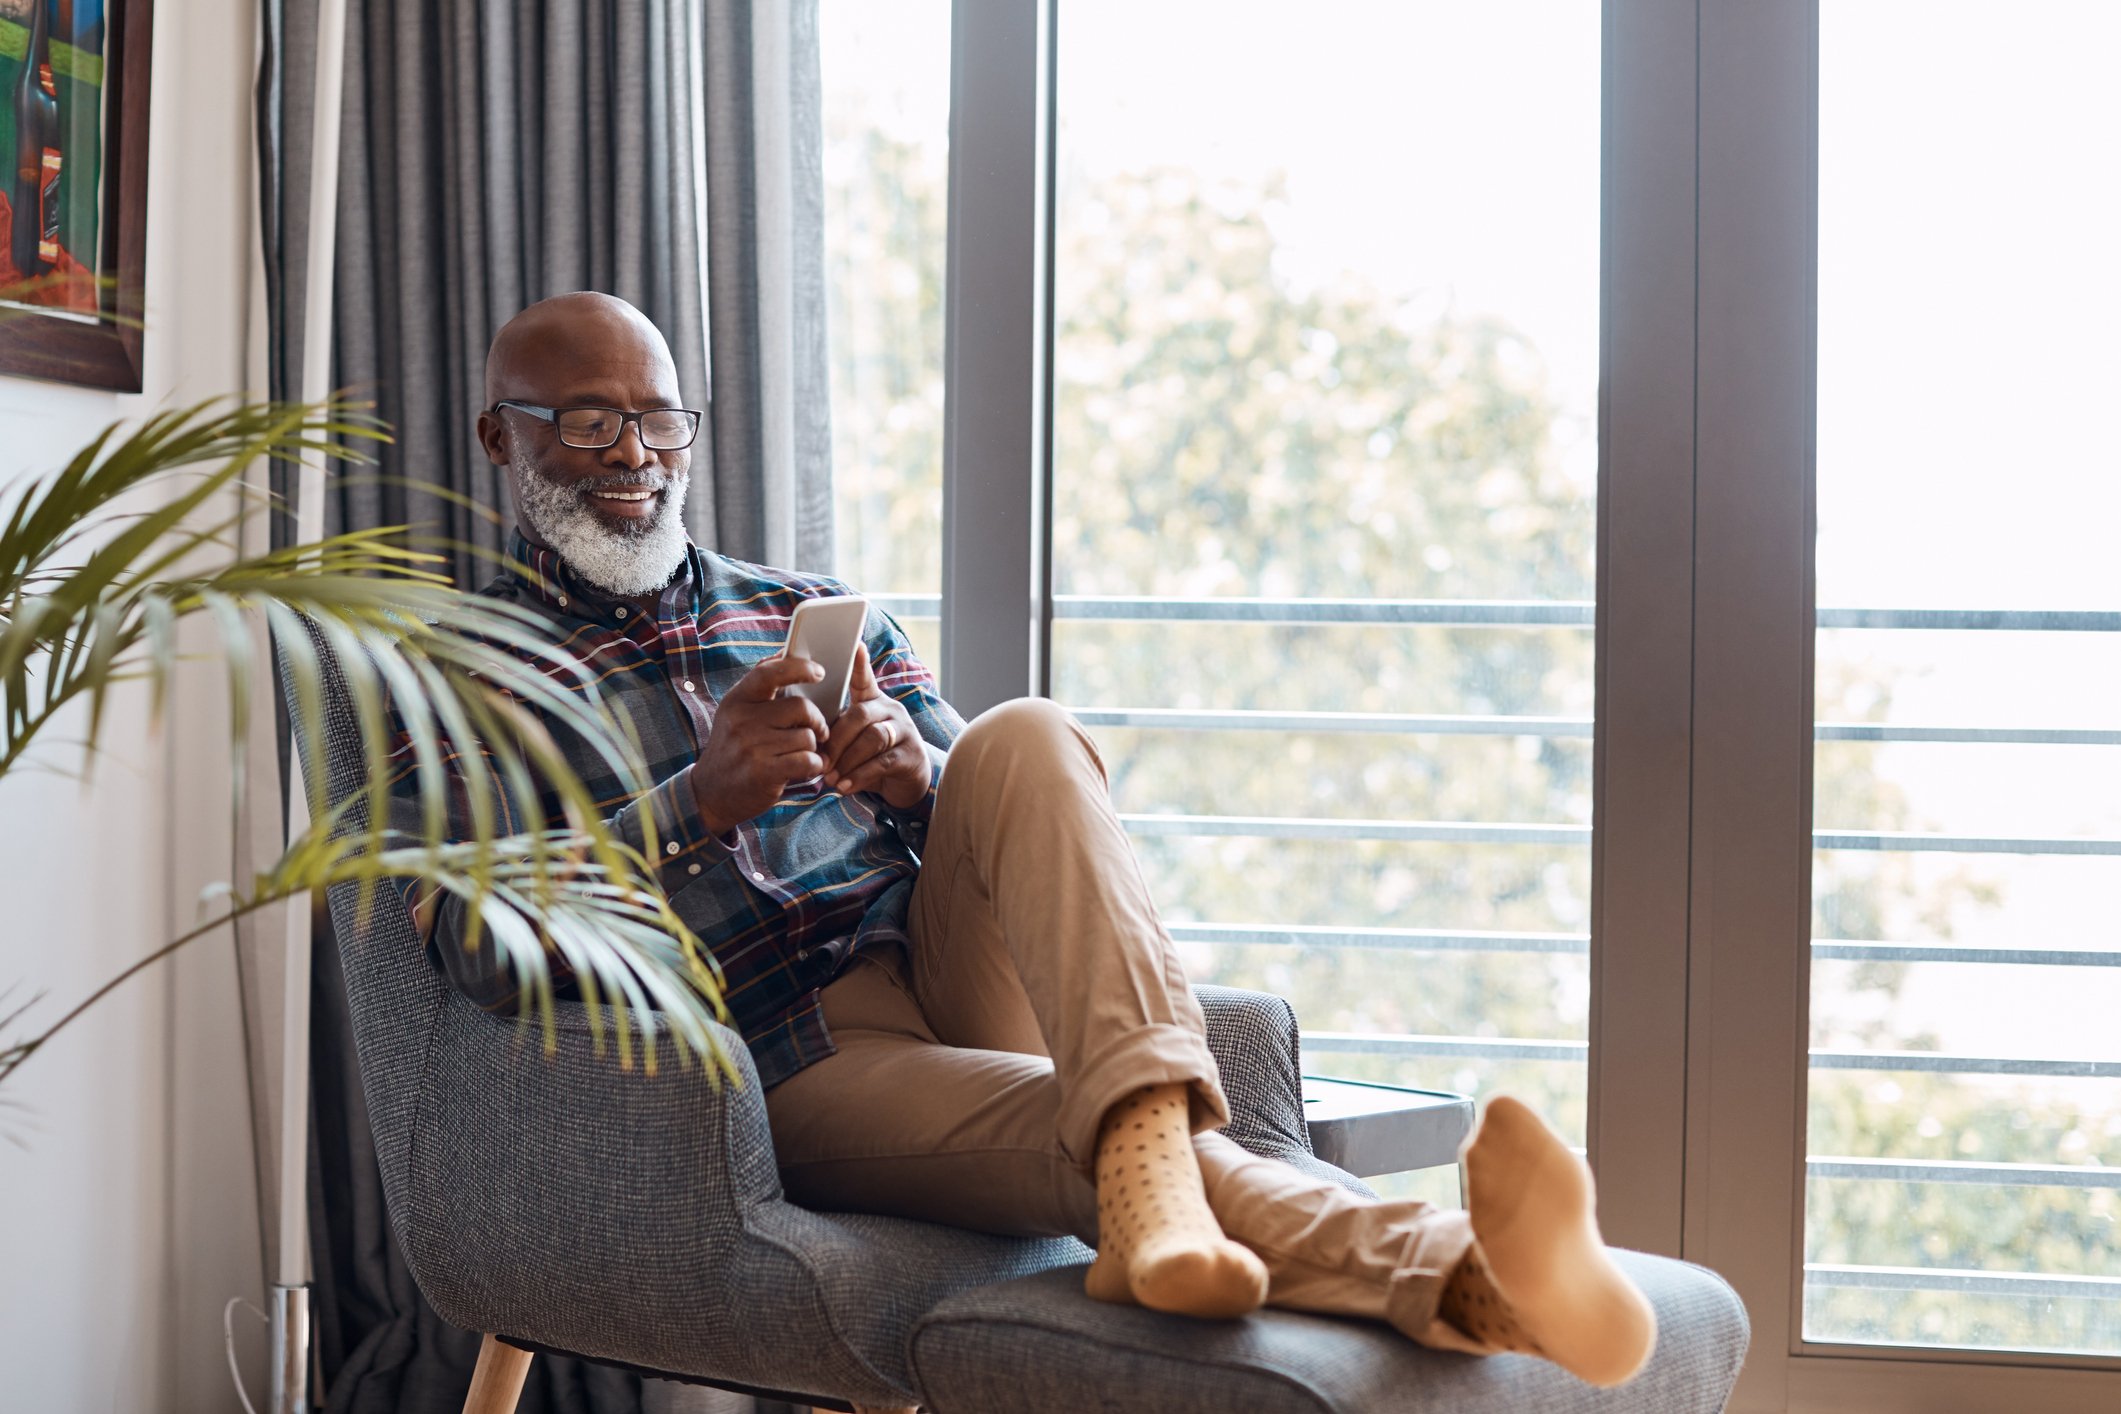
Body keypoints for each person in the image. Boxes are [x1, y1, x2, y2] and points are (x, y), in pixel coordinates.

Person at [391, 290, 1657, 1387]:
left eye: (659, 417)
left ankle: (1168, 1209)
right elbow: (473, 948)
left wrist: (911, 780)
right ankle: (1462, 1273)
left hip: (955, 973)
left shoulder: (800, 610)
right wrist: (694, 806)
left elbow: (1013, 807)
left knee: (1026, 732)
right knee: (1106, 1132)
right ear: (504, 435)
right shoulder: (456, 674)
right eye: (587, 420)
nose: (636, 452)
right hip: (785, 1055)